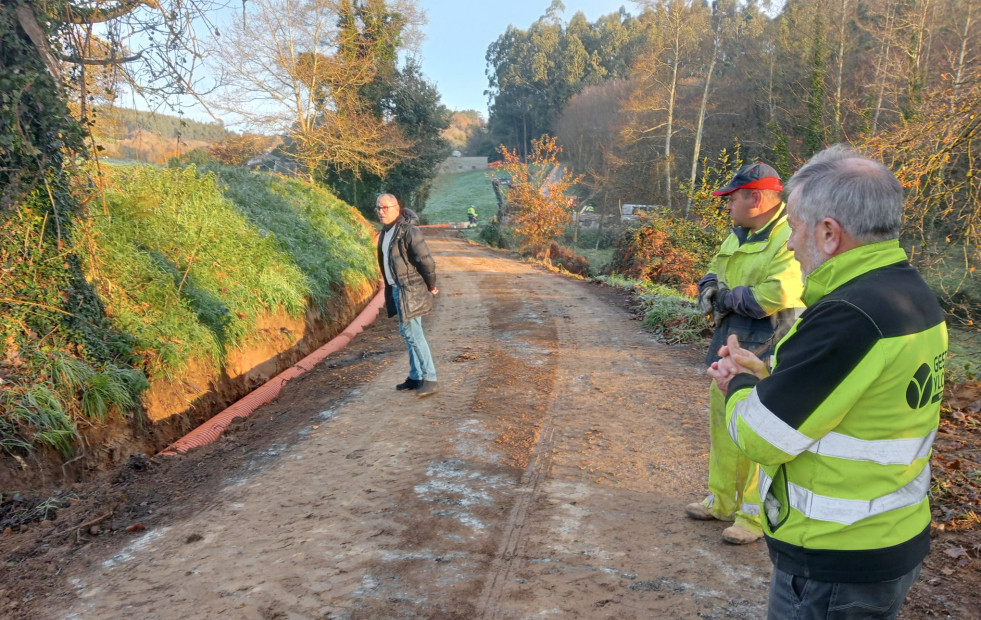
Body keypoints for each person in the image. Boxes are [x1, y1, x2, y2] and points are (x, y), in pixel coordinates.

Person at [708, 144, 947, 618]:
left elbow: (762, 437)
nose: (792, 243)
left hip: (835, 557)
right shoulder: (909, 292)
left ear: (830, 234)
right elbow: (855, 397)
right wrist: (771, 375)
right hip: (890, 534)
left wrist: (738, 384)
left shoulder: (848, 315)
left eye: (795, 229)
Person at [687, 162, 805, 545]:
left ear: (755, 198)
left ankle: (753, 517)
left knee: (757, 433)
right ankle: (721, 500)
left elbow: (776, 296)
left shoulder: (788, 234)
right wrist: (708, 288)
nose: (727, 206)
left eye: (732, 199)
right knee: (723, 426)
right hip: (730, 343)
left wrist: (724, 298)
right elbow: (715, 271)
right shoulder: (739, 234)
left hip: (767, 351)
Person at [376, 194, 439, 397]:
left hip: (409, 290)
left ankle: (430, 377)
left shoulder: (409, 231)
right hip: (396, 289)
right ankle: (415, 376)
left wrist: (431, 285)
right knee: (409, 334)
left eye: (386, 207)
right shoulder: (386, 233)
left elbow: (425, 260)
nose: (381, 211)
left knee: (413, 334)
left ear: (397, 207)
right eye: (378, 208)